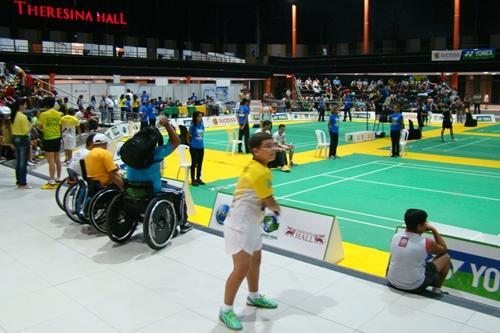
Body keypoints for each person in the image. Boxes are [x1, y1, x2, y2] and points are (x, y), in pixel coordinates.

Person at [220, 132, 281, 331]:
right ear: (255, 150)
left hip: (253, 223)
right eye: (268, 146)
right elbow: (269, 201)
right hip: (240, 226)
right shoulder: (261, 172)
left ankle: (253, 296)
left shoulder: (259, 166)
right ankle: (226, 309)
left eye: (274, 145)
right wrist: (278, 211)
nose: (273, 149)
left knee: (256, 260)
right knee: (241, 269)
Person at [126, 116, 192, 233]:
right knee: (179, 192)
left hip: (130, 188)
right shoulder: (156, 153)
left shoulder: (130, 152)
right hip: (151, 190)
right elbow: (176, 141)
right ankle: (183, 223)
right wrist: (167, 125)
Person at [387, 208, 450, 295]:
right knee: (446, 257)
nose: (426, 224)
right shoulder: (427, 242)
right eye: (425, 222)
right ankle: (436, 290)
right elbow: (443, 249)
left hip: (392, 281)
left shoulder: (395, 237)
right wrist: (433, 230)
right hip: (414, 286)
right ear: (419, 226)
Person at [39, 97, 63, 189]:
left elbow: (40, 127)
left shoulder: (43, 114)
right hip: (57, 138)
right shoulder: (58, 114)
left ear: (45, 104)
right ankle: (58, 178)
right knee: (57, 158)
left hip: (48, 138)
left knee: (51, 160)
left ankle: (51, 181)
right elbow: (60, 126)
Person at [10, 98, 31, 189]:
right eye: (25, 104)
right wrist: (32, 125)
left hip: (15, 138)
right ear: (20, 106)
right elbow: (26, 131)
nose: (26, 106)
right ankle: (23, 183)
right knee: (23, 162)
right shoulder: (22, 117)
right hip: (22, 139)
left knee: (18, 161)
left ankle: (19, 181)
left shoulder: (13, 116)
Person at [189, 111, 205, 186]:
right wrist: (190, 144)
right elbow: (188, 135)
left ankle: (198, 178)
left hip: (201, 147)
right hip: (194, 147)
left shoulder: (202, 124)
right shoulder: (192, 125)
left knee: (200, 163)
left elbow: (201, 135)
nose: (200, 118)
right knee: (194, 163)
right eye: (199, 116)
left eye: (201, 116)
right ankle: (193, 180)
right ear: (195, 117)